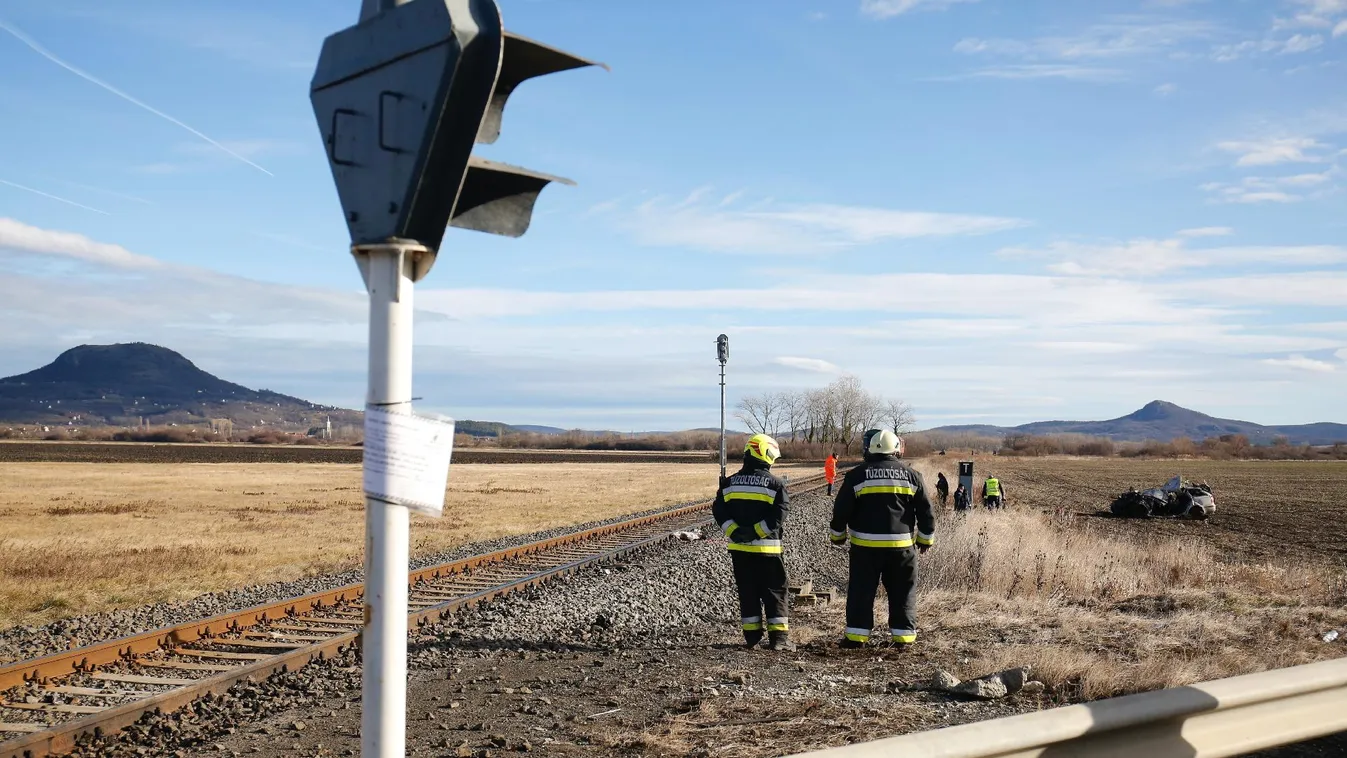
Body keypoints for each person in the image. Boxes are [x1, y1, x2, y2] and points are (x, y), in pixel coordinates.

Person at [828, 429, 935, 649]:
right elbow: (926, 512)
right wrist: (925, 540)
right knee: (903, 591)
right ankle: (903, 638)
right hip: (902, 549)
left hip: (865, 549)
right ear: (896, 449)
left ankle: (856, 637)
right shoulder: (913, 476)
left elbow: (841, 511)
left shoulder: (856, 475)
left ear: (870, 448)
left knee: (861, 590)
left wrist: (838, 535)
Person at [711, 433, 794, 651]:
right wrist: (755, 532)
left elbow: (719, 511)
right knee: (775, 591)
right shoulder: (776, 485)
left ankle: (752, 638)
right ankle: (779, 640)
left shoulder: (729, 483)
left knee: (747, 592)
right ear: (767, 455)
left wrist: (736, 532)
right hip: (768, 551)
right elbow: (779, 515)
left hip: (739, 550)